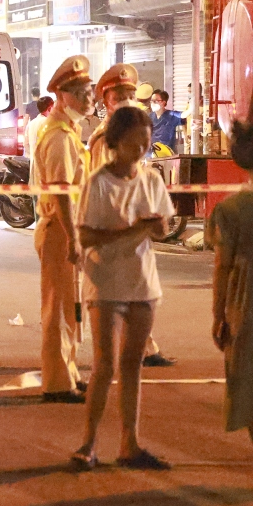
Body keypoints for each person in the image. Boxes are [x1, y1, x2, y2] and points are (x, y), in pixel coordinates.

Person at [72, 105, 174, 470]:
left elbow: (162, 231)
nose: (142, 150)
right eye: (135, 143)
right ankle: (87, 444)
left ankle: (130, 443)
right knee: (104, 365)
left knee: (133, 365)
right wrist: (131, 230)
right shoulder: (98, 182)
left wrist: (156, 225)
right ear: (115, 143)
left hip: (142, 281)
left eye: (146, 142)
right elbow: (85, 235)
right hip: (105, 282)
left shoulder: (151, 180)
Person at [89, 65, 175, 368]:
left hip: (135, 234)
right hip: (114, 233)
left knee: (137, 290)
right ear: (106, 99)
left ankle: (145, 347)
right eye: (119, 95)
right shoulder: (103, 139)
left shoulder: (136, 129)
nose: (126, 99)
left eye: (130, 94)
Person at [32, 55, 94, 403]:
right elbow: (62, 194)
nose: (89, 99)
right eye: (82, 93)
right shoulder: (58, 136)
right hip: (59, 229)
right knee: (57, 308)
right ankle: (56, 381)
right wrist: (73, 238)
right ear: (63, 95)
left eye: (90, 92)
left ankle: (67, 371)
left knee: (70, 306)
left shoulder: (69, 131)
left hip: (66, 229)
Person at [211, 113, 253, 444]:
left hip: (245, 306)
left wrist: (218, 315)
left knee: (247, 384)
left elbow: (222, 267)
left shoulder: (231, 209)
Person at [149, 89, 186, 154]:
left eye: (155, 101)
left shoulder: (172, 115)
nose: (152, 103)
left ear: (163, 102)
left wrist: (192, 106)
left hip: (168, 154)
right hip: (152, 154)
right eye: (151, 101)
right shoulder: (149, 117)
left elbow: (183, 115)